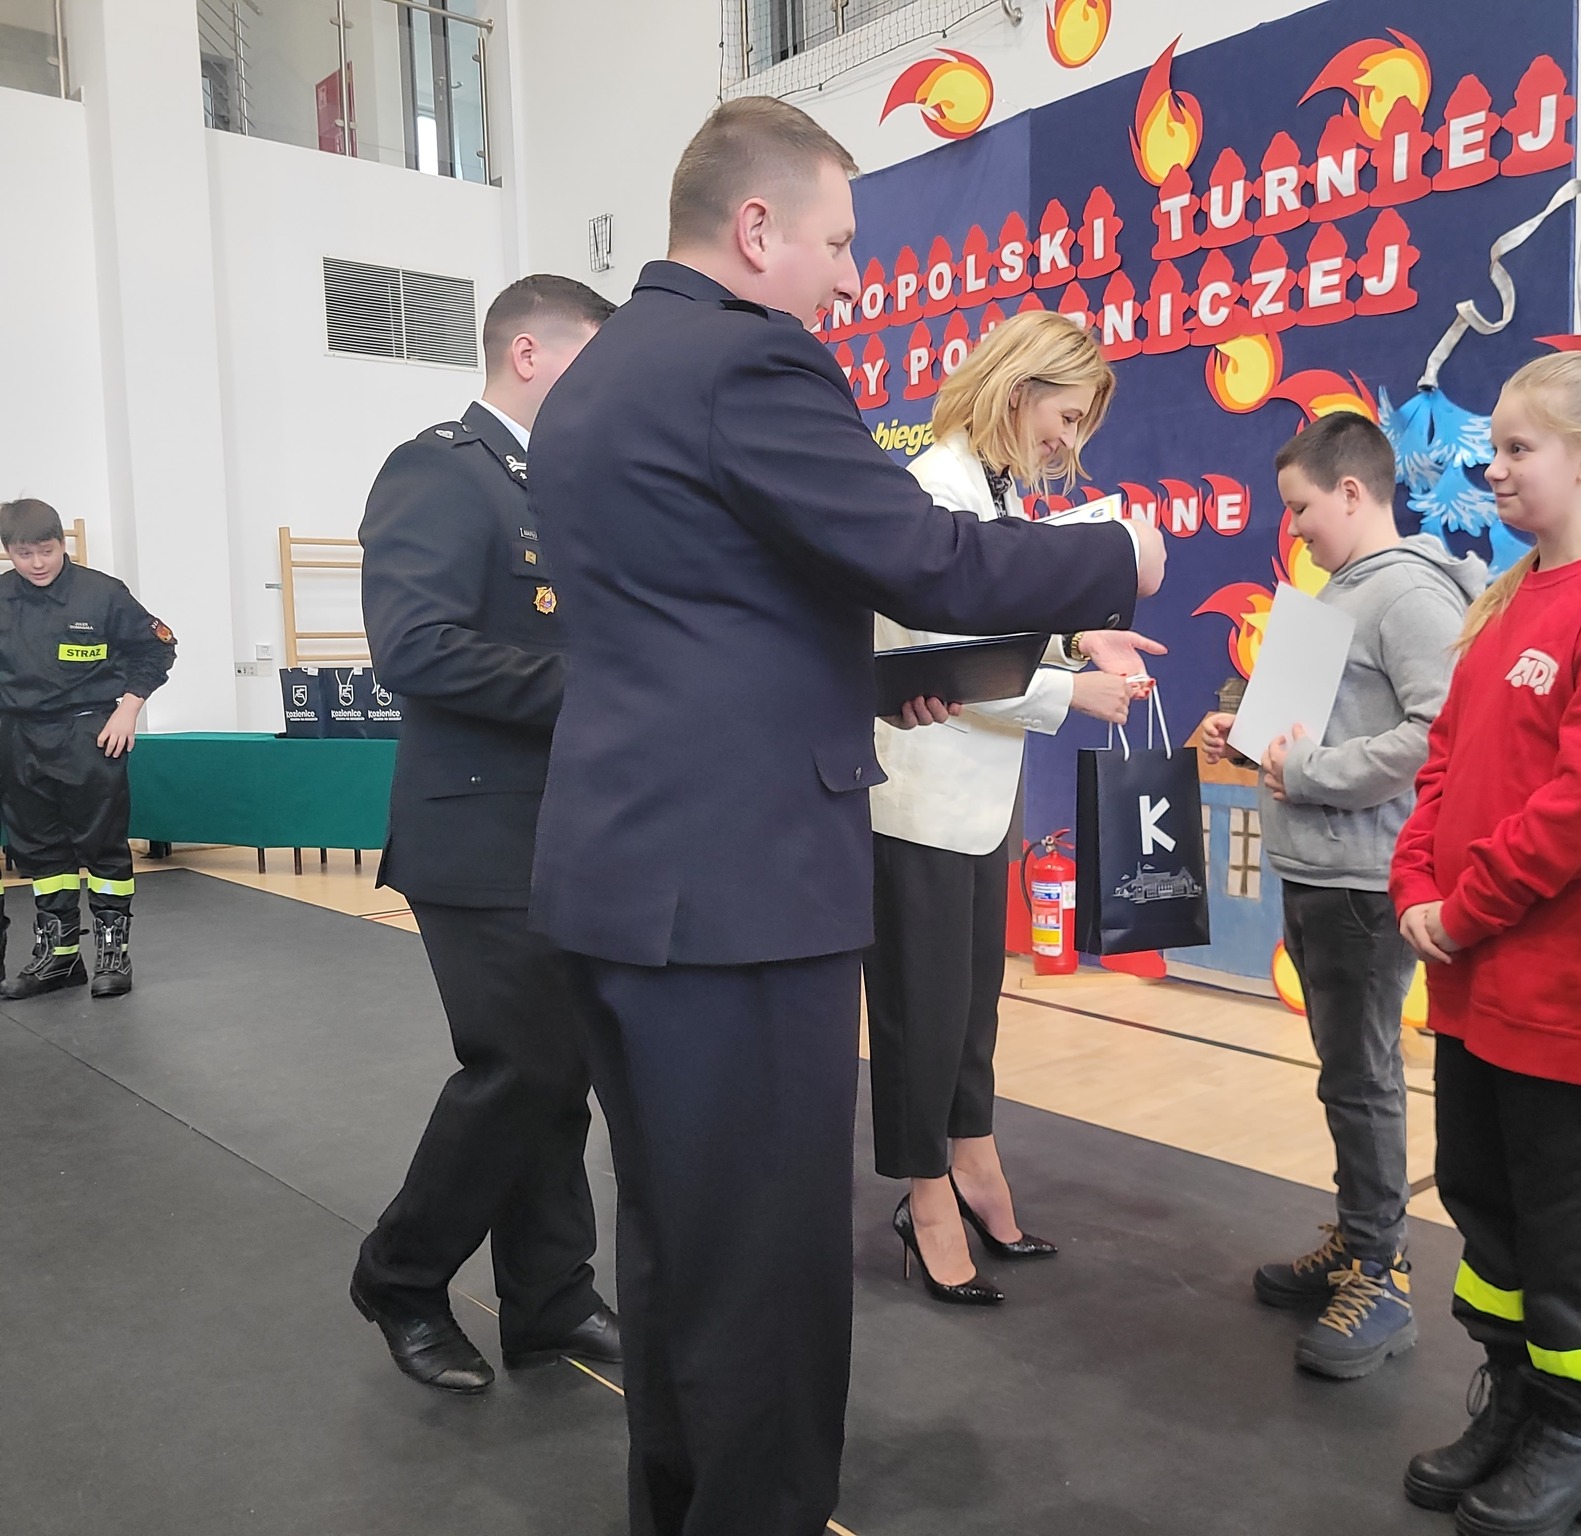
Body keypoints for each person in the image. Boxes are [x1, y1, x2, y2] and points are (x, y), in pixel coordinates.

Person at [524, 97, 1165, 1536]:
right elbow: (924, 558)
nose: (852, 276)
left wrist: (890, 687)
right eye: (837, 241)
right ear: (757, 230)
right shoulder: (748, 359)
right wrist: (1113, 554)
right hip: (736, 898)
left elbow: (711, 627)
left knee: (681, 1255)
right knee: (766, 1282)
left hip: (627, 878)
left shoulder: (600, 375)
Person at [1389, 352, 1581, 1534]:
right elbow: (1445, 762)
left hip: (1562, 990)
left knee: (1565, 1229)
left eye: (1517, 448)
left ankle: (1571, 1437)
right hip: (1472, 984)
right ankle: (1511, 1402)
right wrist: (1415, 884)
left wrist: (1467, 907)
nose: (1493, 469)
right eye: (1495, 448)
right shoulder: (1506, 596)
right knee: (1483, 1204)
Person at [347, 275, 625, 1395]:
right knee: (524, 1063)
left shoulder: (561, 488)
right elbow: (412, 646)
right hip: (475, 831)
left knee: (562, 1074)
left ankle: (549, 1297)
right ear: (527, 354)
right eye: (591, 365)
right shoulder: (442, 471)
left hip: (564, 828)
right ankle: (401, 1274)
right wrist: (600, 694)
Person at [867, 308, 1161, 1306]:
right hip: (918, 799)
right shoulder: (932, 493)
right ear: (1015, 389)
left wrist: (1080, 645)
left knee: (970, 1010)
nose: (1067, 444)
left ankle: (974, 1159)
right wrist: (1071, 690)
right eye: (1064, 417)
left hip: (979, 798)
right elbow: (934, 659)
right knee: (920, 1014)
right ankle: (925, 1198)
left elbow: (1005, 630)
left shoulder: (993, 494)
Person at [1196, 411, 1483, 1378]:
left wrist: (1311, 772)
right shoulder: (1342, 592)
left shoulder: (1407, 595)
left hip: (1364, 878)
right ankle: (1361, 1239)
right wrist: (1246, 735)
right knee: (1345, 1078)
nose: (1295, 528)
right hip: (1321, 869)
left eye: (1302, 508)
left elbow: (1440, 733)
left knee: (1362, 1082)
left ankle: (1383, 1276)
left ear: (1353, 492)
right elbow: (1319, 725)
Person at [0, 497, 176, 1000]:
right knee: (38, 850)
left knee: (102, 846)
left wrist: (128, 709)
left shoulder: (102, 594)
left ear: (63, 543)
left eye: (46, 550)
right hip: (17, 737)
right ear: (8, 551)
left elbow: (158, 648)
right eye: (24, 554)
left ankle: (113, 954)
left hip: (88, 734)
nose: (37, 563)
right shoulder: (2, 597)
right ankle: (59, 957)